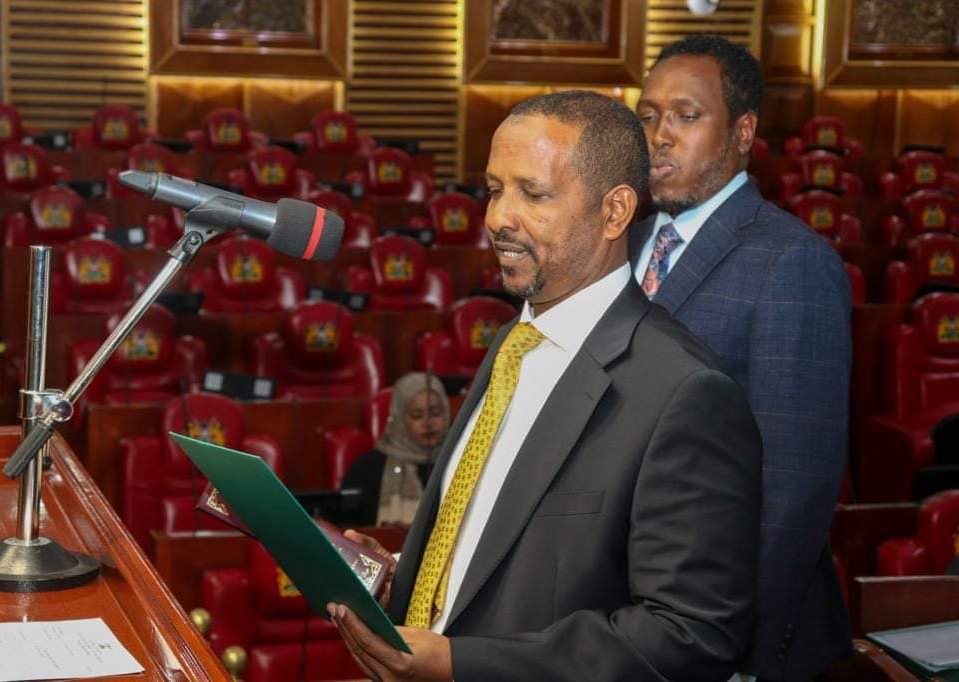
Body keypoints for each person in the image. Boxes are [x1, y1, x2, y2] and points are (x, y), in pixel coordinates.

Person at [327, 90, 763, 681]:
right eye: (494, 189)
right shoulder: (514, 343)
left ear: (615, 211)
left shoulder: (686, 393)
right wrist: (406, 576)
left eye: (532, 194)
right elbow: (502, 541)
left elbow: (689, 635)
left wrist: (460, 665)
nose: (497, 218)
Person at [632, 35, 853, 681]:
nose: (660, 136)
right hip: (637, 616)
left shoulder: (792, 261)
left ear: (743, 132)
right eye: (648, 115)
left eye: (686, 116)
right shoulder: (624, 241)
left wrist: (741, 651)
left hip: (729, 631)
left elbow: (796, 486)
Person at [340, 373, 451, 527]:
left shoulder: (459, 461)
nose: (428, 423)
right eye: (417, 415)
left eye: (435, 413)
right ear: (399, 418)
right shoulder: (367, 469)